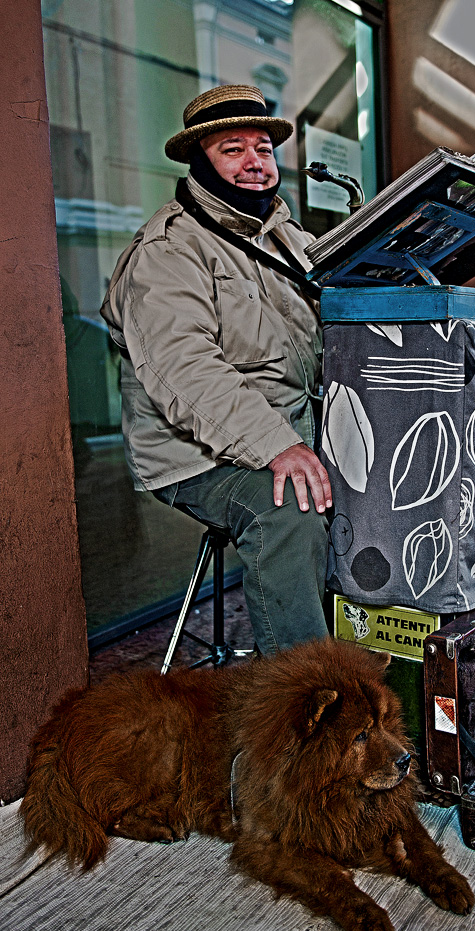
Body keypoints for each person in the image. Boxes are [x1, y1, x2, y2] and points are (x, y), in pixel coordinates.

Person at [101, 85, 332, 656]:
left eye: (263, 148)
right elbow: (186, 371)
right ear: (198, 161)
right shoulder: (167, 251)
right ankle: (305, 707)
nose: (255, 162)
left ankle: (373, 652)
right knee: (288, 514)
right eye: (233, 149)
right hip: (193, 452)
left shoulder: (287, 238)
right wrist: (277, 445)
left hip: (292, 427)